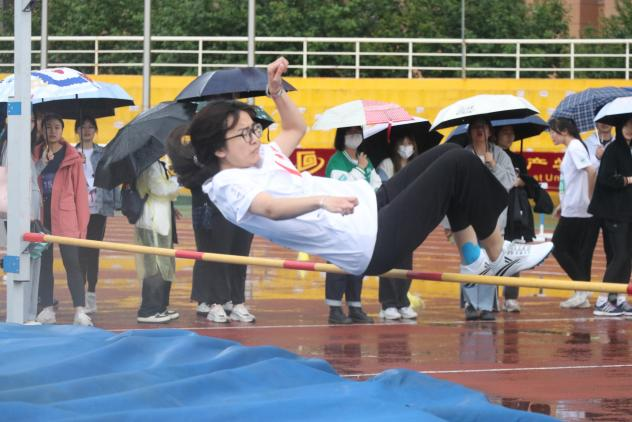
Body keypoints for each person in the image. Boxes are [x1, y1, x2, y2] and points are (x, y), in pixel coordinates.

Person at [167, 58, 554, 311]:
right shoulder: (227, 183)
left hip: (370, 204)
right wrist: (321, 200)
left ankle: (475, 259)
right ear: (219, 149)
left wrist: (276, 91)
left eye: (254, 129)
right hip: (367, 239)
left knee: (447, 155)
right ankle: (497, 253)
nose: (255, 138)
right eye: (245, 134)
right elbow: (269, 207)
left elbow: (295, 128)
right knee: (455, 163)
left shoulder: (262, 156)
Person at [448, 119, 516, 321]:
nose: (479, 131)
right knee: (470, 260)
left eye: (483, 127)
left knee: (490, 261)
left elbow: (510, 181)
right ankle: (470, 304)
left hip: (493, 221)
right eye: (475, 127)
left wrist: (493, 165)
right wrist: (448, 224)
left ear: (490, 131)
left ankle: (486, 306)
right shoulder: (462, 156)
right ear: (469, 132)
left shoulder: (500, 155)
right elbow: (453, 188)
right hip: (467, 221)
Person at [33, 113, 91, 326]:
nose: (53, 131)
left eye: (57, 127)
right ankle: (47, 308)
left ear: (62, 130)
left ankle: (80, 310)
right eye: (48, 127)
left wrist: (82, 228)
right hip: (41, 216)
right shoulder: (35, 153)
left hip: (66, 218)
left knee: (72, 264)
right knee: (43, 264)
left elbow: (80, 194)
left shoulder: (72, 157)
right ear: (43, 130)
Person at [323, 126, 379, 324]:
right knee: (338, 264)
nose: (355, 136)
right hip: (341, 221)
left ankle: (355, 306)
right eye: (350, 132)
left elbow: (376, 184)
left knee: (358, 263)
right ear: (342, 136)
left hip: (361, 221)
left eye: (358, 132)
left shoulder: (365, 158)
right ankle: (335, 309)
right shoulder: (336, 161)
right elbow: (342, 188)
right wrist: (360, 169)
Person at [548, 117, 599, 309]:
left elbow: (591, 171)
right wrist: (562, 204)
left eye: (552, 131)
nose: (551, 136)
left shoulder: (575, 147)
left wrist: (589, 196)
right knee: (575, 251)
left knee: (558, 246)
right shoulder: (573, 148)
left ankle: (582, 288)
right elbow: (571, 180)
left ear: (564, 131)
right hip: (572, 207)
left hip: (577, 209)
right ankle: (581, 293)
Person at [0, 117, 47, 324]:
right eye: (26, 118)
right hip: (22, 214)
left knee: (32, 260)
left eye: (33, 120)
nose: (30, 123)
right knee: (24, 261)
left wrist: (42, 163)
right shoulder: (12, 145)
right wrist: (23, 212)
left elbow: (29, 178)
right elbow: (11, 182)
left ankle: (27, 313)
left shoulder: (22, 146)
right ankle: (22, 314)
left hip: (30, 211)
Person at [74, 116, 120, 314]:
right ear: (76, 130)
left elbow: (112, 178)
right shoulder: (70, 153)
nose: (86, 131)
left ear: (95, 131)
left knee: (93, 252)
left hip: (98, 209)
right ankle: (79, 296)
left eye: (90, 127)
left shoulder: (103, 153)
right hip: (76, 210)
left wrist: (116, 203)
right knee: (79, 254)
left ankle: (91, 294)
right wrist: (76, 163)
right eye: (82, 127)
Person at [587, 116, 632, 317]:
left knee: (627, 256)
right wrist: (627, 180)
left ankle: (620, 298)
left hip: (628, 211)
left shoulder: (629, 150)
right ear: (620, 126)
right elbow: (605, 178)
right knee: (619, 254)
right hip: (613, 211)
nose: (630, 129)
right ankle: (602, 300)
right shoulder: (613, 150)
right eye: (627, 125)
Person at [375, 133, 419, 320]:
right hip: (389, 218)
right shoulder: (387, 164)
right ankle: (388, 304)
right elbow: (384, 189)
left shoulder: (417, 165)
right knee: (388, 261)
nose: (406, 147)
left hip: (409, 220)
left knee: (405, 264)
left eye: (410, 143)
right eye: (403, 143)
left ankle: (403, 302)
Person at [494, 125, 538, 313]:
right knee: (492, 254)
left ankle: (511, 297)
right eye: (505, 133)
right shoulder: (491, 156)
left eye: (512, 133)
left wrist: (522, 182)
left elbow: (528, 184)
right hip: (496, 210)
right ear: (496, 135)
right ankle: (491, 297)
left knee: (514, 253)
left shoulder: (519, 159)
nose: (510, 136)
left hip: (515, 212)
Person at [134, 159, 181, 323]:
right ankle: (149, 309)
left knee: (164, 264)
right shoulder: (149, 164)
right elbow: (160, 189)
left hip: (159, 220)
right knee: (155, 266)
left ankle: (160, 306)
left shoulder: (156, 164)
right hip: (153, 222)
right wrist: (176, 181)